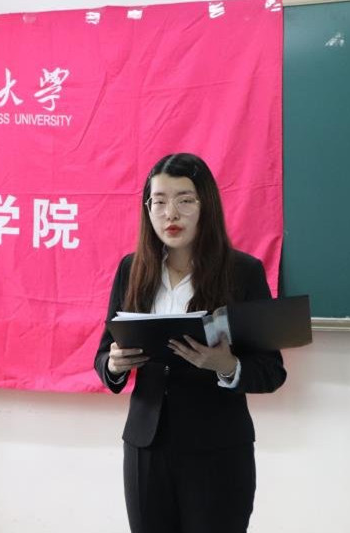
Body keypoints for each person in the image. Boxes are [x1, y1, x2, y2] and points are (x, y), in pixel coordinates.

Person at [94, 153, 287, 533]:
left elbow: (271, 370)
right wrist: (113, 365)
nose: (171, 214)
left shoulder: (242, 272)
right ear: (147, 208)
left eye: (185, 200)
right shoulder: (132, 269)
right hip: (146, 445)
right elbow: (104, 353)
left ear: (206, 205)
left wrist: (226, 366)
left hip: (217, 449)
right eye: (159, 201)